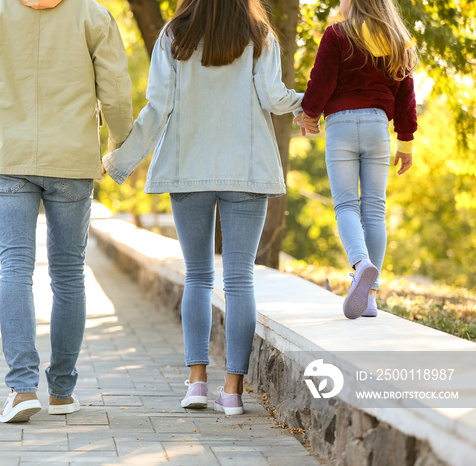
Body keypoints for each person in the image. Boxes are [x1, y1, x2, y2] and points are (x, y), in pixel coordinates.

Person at [103, 0, 302, 415]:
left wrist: (120, 161)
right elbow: (274, 98)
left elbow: (157, 108)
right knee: (239, 278)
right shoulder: (260, 35)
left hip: (187, 168)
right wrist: (312, 103)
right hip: (246, 171)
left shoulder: (174, 35)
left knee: (197, 275)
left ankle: (196, 383)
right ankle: (232, 391)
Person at [0, 0, 132, 423]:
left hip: (7, 155)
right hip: (72, 159)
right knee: (69, 272)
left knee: (15, 267)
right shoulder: (94, 14)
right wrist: (117, 147)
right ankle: (63, 392)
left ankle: (20, 390)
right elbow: (118, 92)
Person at [295, 0, 417, 319]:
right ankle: (371, 297)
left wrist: (309, 115)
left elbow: (321, 82)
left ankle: (361, 264)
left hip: (341, 126)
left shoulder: (337, 35)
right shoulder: (396, 42)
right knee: (374, 207)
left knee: (347, 205)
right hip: (378, 126)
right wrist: (405, 142)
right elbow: (406, 97)